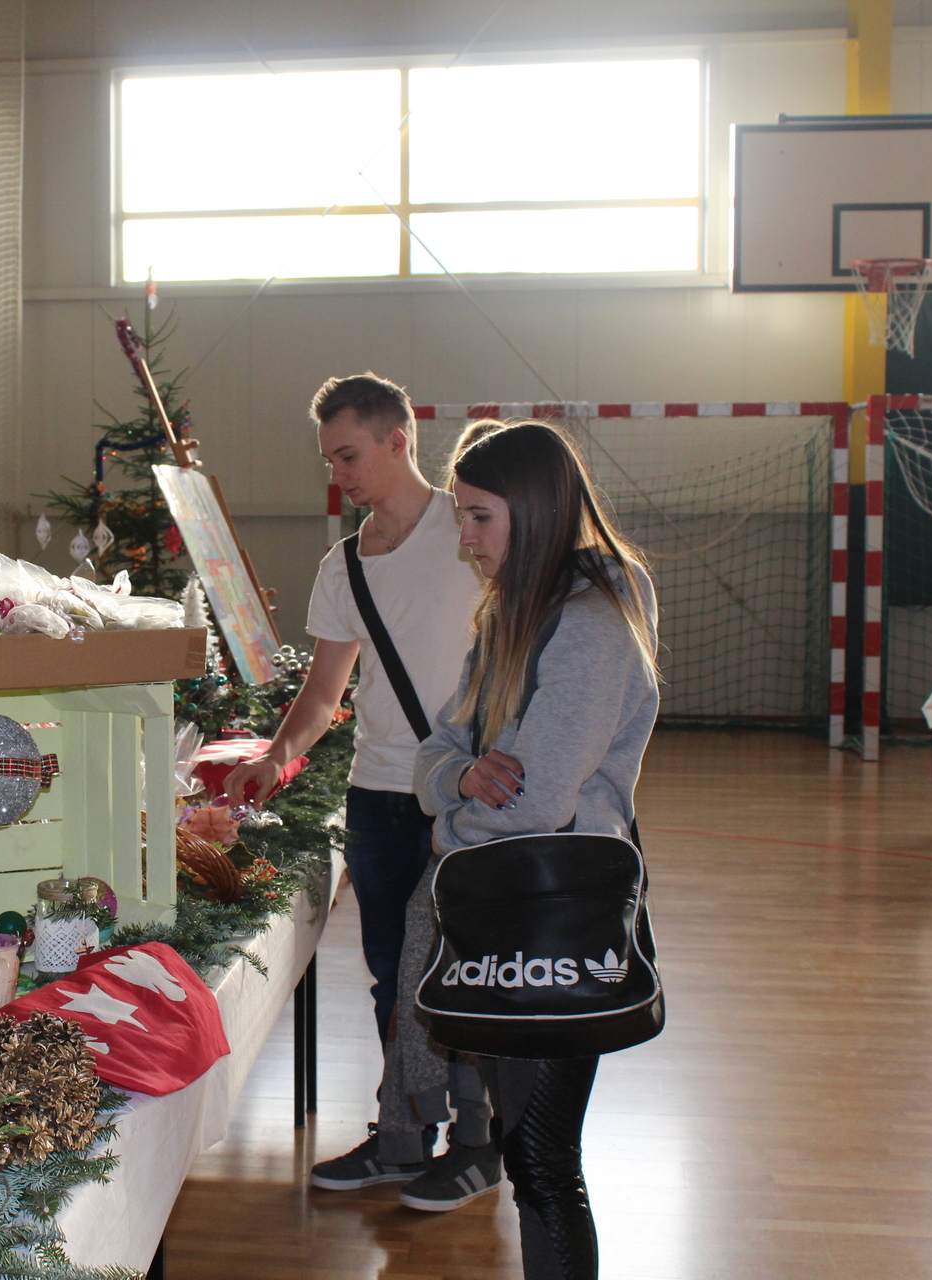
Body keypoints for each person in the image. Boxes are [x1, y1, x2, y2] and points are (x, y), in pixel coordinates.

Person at [221, 373, 492, 1208]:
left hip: (474, 796)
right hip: (380, 794)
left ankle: (482, 1145)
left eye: (348, 454)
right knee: (390, 973)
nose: (337, 472)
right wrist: (276, 757)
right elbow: (322, 694)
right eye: (328, 458)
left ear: (398, 439)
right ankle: (405, 1134)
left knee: (468, 970)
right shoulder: (344, 565)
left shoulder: (473, 530)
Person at [407, 419, 658, 1273]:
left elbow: (539, 802)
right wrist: (461, 778)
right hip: (509, 920)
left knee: (545, 1166)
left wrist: (447, 824)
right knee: (532, 1160)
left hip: (554, 924)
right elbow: (437, 750)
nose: (465, 539)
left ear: (537, 510)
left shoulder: (590, 626)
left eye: (480, 517)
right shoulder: (511, 617)